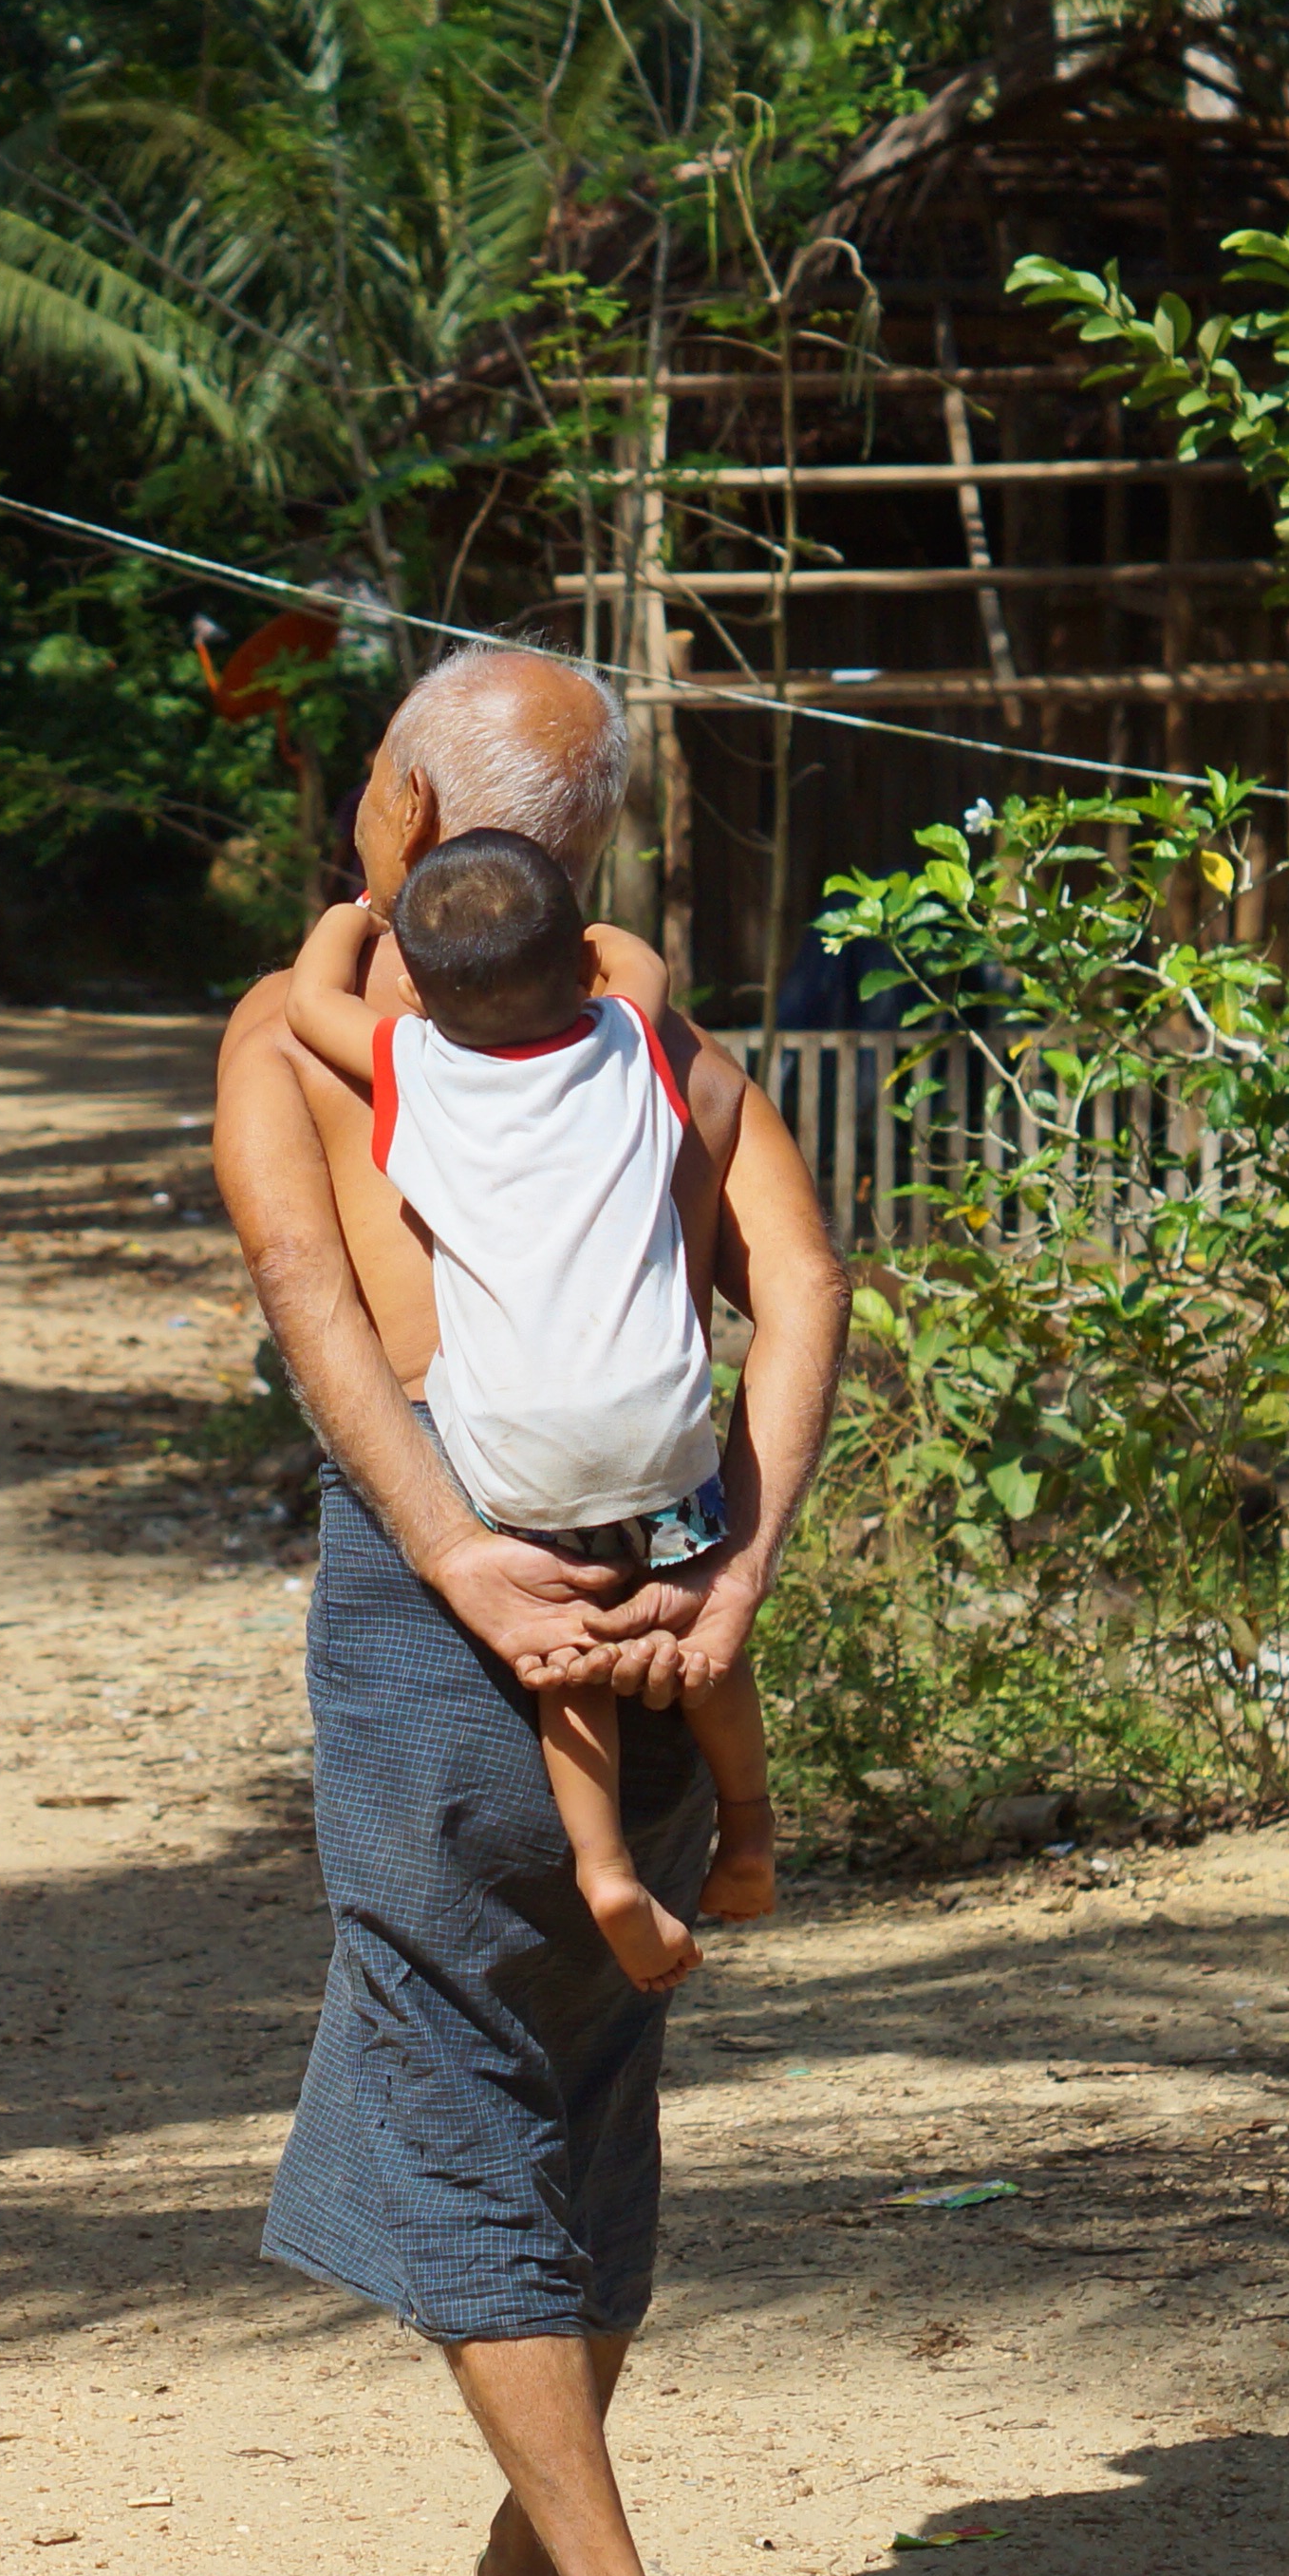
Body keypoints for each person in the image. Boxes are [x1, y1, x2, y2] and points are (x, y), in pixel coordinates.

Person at [214, 644, 842, 2576]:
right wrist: (737, 1570)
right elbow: (801, 1281)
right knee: (578, 2087)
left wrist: (465, 1562)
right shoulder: (639, 1017)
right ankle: (526, 2555)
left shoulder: (304, 1046)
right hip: (668, 1606)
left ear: (397, 823)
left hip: (449, 1625)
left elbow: (320, 1316)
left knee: (450, 2099)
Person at [272, 835, 776, 1985]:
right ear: (577, 967)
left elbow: (307, 1004)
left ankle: (605, 1872)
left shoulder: (417, 1073)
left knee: (574, 1662)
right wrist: (587, 936)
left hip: (516, 1453)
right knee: (703, 1639)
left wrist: (363, 906)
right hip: (659, 1423)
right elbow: (634, 957)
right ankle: (746, 1828)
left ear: (416, 986)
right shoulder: (629, 1047)